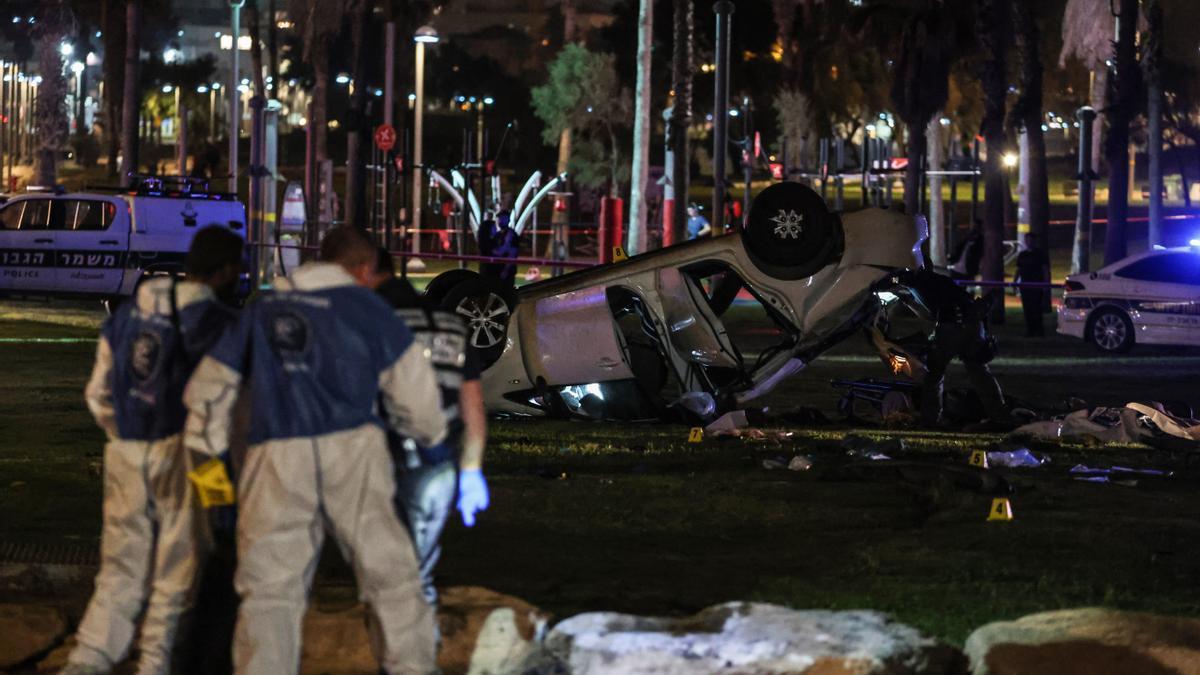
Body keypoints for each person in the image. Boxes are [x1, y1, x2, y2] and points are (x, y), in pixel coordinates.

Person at [183, 226, 447, 674]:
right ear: (364, 269)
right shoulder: (369, 308)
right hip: (353, 450)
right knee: (392, 579)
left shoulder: (264, 308)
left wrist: (213, 482)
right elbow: (414, 390)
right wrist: (432, 441)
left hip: (276, 456)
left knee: (269, 590)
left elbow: (206, 395)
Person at [63, 226, 244, 675]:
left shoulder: (128, 315)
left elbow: (98, 393)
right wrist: (219, 494)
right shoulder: (220, 326)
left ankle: (87, 662)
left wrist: (124, 432)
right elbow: (215, 418)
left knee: (120, 571)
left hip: (125, 449)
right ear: (225, 271)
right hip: (183, 457)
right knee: (175, 577)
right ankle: (154, 666)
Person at [371, 248, 490, 608]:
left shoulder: (377, 323)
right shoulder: (451, 324)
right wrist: (471, 471)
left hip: (390, 461)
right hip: (442, 466)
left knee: (391, 578)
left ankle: (404, 655)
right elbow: (473, 406)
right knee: (419, 570)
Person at [894, 267, 1009, 428]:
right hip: (974, 325)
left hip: (951, 328)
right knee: (980, 373)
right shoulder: (941, 280)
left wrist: (902, 295)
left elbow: (927, 313)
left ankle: (930, 419)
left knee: (934, 374)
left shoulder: (917, 283)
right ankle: (999, 416)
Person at [1015, 233, 1051, 337]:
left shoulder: (1040, 254)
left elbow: (1045, 269)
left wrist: (1045, 284)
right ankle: (1030, 330)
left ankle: (1039, 330)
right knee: (1027, 309)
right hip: (1025, 285)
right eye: (1027, 240)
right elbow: (1019, 269)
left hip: (1036, 285)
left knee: (1036, 308)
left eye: (1031, 240)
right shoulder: (1022, 255)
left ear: (1034, 241)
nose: (1029, 242)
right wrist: (1015, 282)